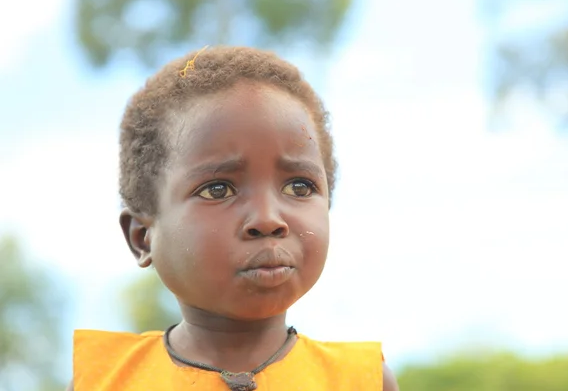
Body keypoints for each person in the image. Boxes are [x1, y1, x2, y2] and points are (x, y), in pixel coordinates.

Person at [67, 46, 398, 390]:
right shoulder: (105, 380)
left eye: (299, 186)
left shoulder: (361, 380)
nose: (268, 219)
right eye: (218, 190)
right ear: (142, 237)